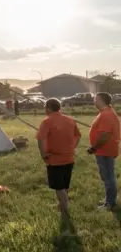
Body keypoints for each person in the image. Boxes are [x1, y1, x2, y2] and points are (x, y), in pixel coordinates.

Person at [36, 98, 81, 234]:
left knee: (58, 186)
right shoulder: (70, 120)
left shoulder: (47, 121)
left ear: (48, 108)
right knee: (65, 184)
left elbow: (41, 139)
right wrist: (72, 147)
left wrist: (44, 154)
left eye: (45, 107)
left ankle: (65, 210)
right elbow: (78, 136)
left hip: (54, 158)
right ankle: (62, 205)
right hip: (69, 157)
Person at [87, 92, 120, 210]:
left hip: (105, 150)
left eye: (95, 99)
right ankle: (109, 199)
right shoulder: (107, 113)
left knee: (108, 176)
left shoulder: (106, 115)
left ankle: (110, 203)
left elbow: (104, 136)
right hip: (106, 150)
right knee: (108, 176)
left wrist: (94, 147)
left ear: (101, 100)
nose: (94, 101)